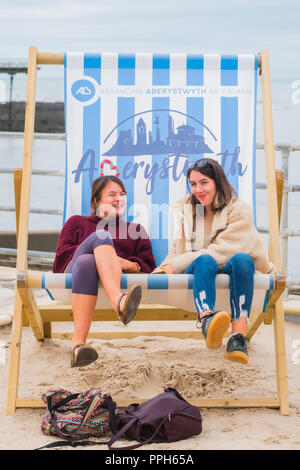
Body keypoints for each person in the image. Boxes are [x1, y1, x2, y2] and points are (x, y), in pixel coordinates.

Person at [155, 158, 275, 364]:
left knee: (243, 259)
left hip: (233, 267)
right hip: (204, 269)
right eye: (193, 184)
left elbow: (226, 249)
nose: (198, 189)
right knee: (205, 261)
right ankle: (207, 320)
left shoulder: (239, 209)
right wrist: (163, 269)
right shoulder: (188, 210)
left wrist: (179, 264)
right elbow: (179, 248)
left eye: (204, 182)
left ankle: (237, 338)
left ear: (217, 182)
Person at [53, 175, 156, 367]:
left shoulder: (136, 230)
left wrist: (129, 264)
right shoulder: (77, 222)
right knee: (99, 237)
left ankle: (77, 346)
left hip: (88, 272)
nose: (119, 198)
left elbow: (150, 266)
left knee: (87, 262)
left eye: (122, 194)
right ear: (95, 201)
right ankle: (119, 301)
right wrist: (101, 254)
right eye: (112, 194)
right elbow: (61, 257)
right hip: (71, 276)